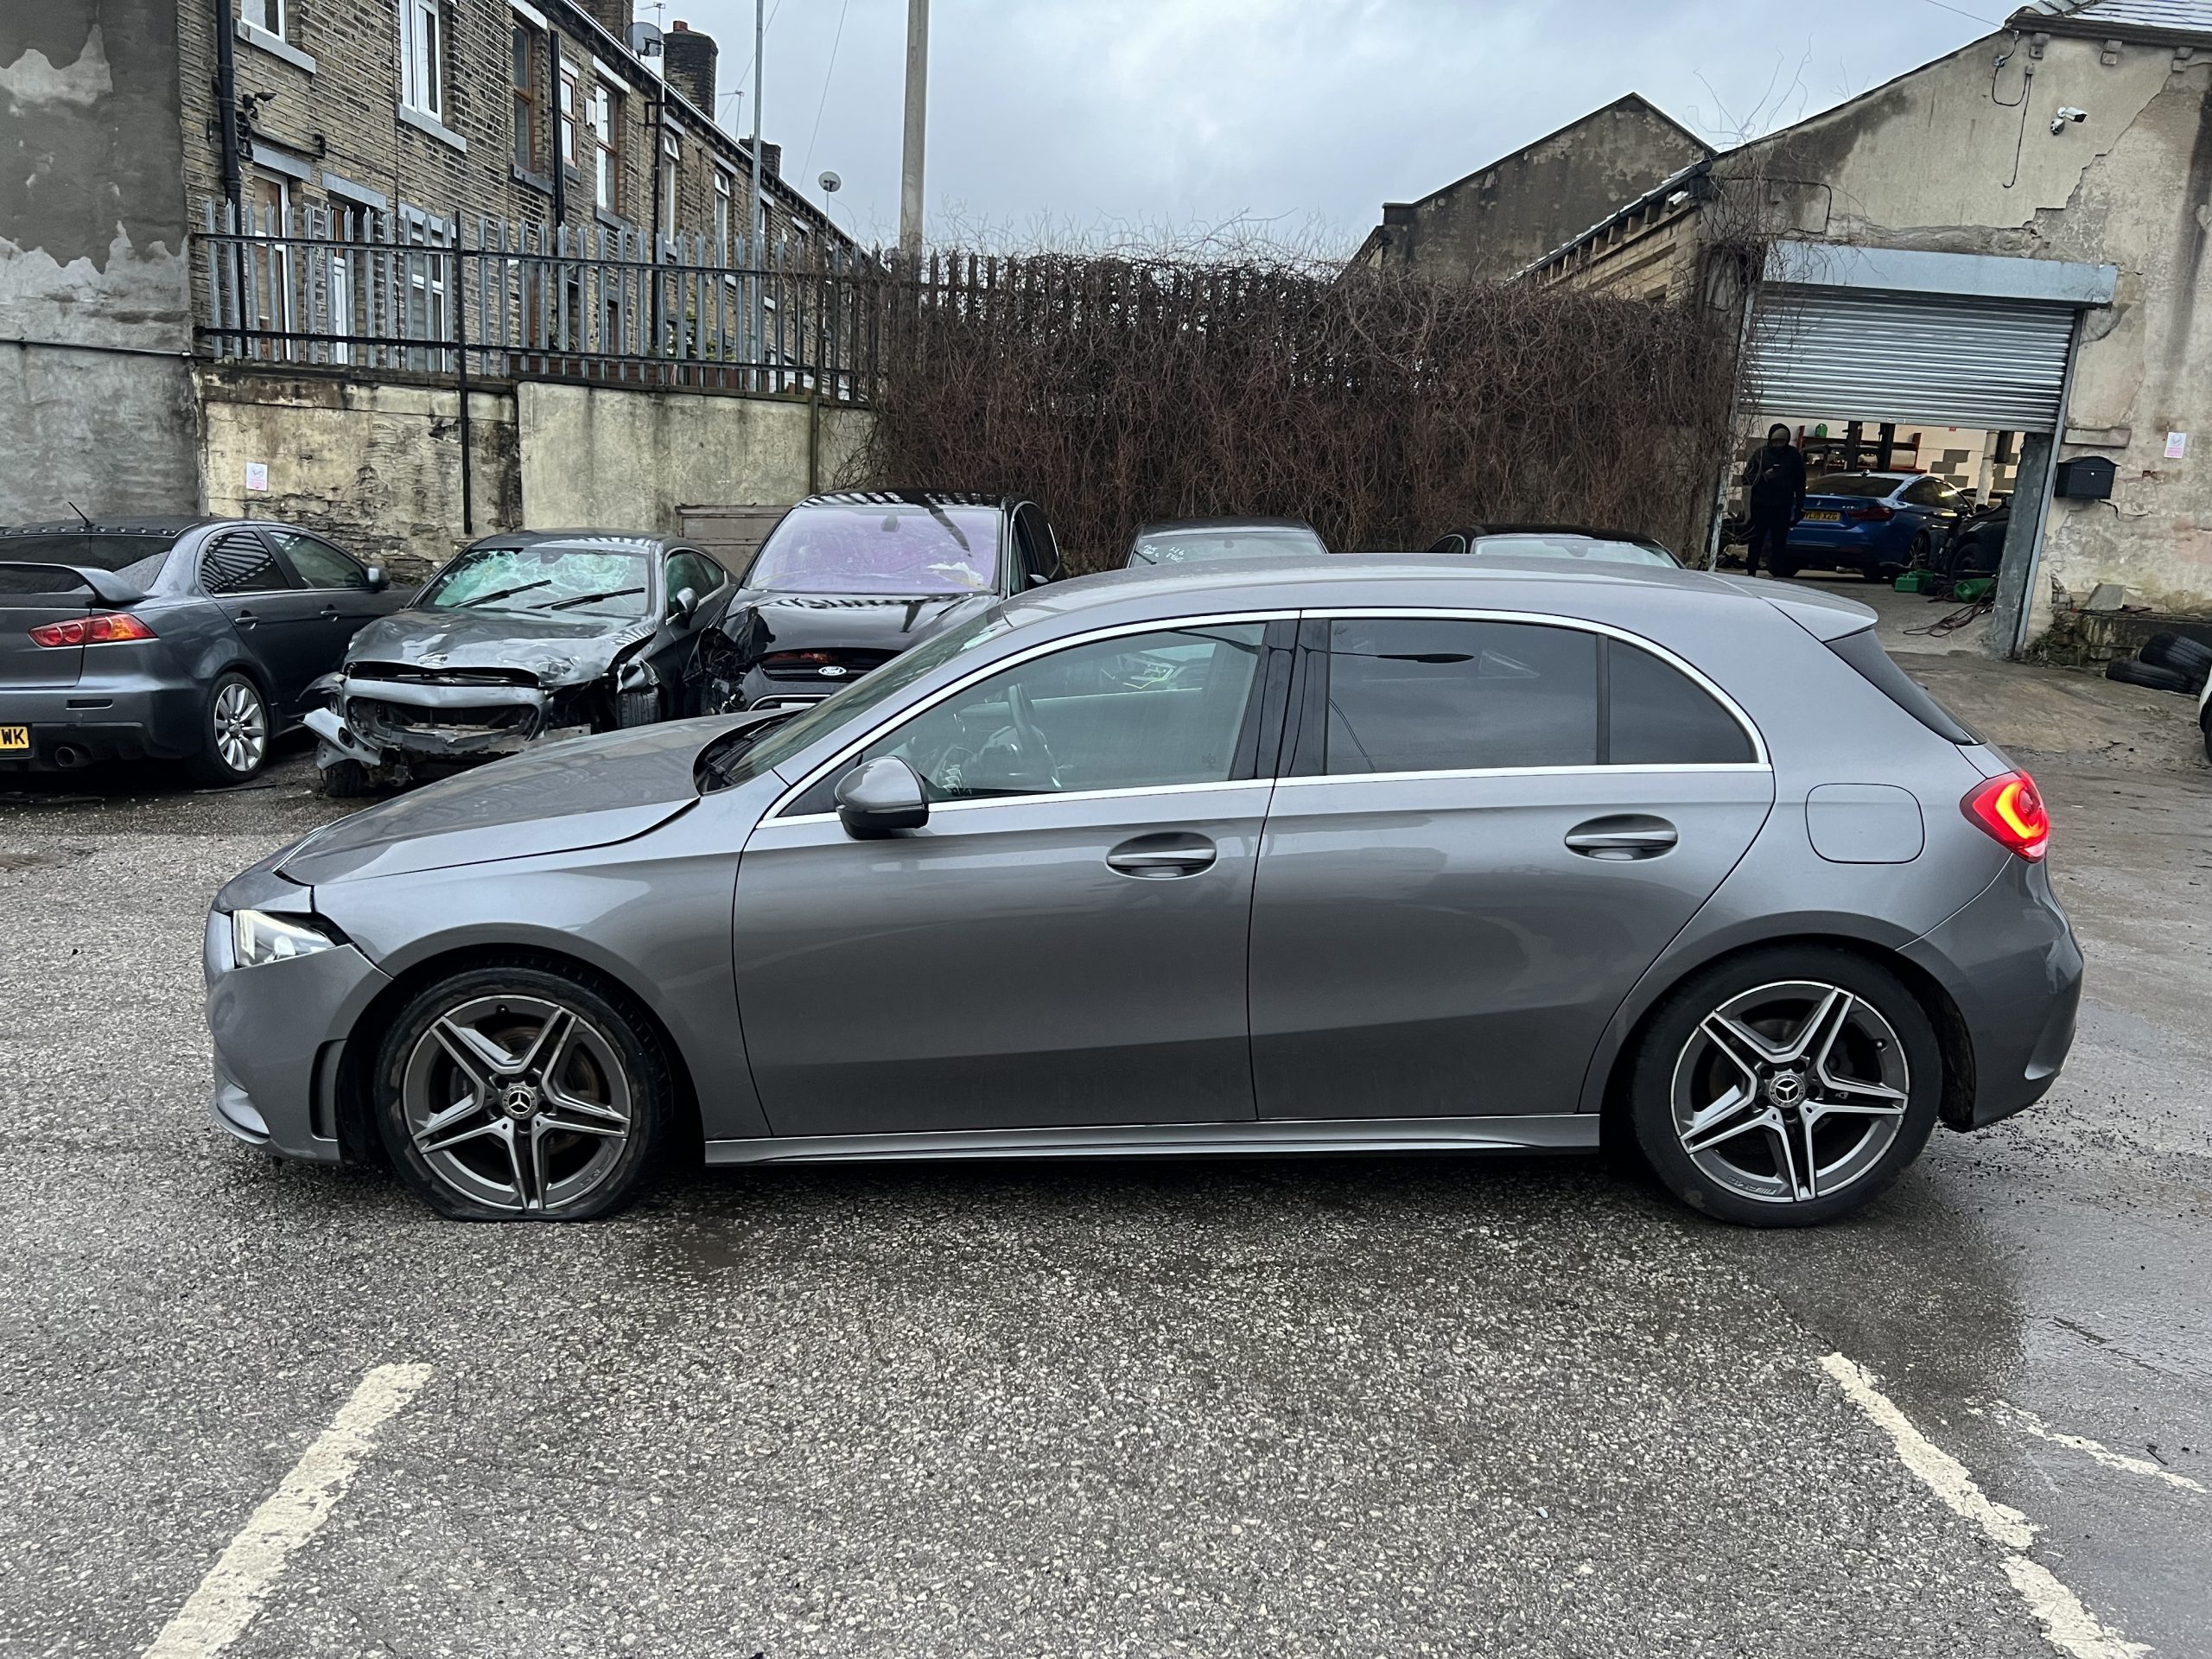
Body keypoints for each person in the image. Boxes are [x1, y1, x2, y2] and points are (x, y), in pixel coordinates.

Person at [1741, 424, 1807, 578]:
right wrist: (1764, 476)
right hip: (1761, 505)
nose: (1778, 445)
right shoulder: (1761, 454)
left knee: (1779, 541)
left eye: (1782, 442)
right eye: (1775, 441)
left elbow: (1800, 483)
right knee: (1756, 539)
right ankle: (1751, 571)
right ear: (1770, 440)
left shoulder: (1793, 456)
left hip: (1783, 505)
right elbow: (1746, 478)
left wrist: (1800, 506)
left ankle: (1777, 571)